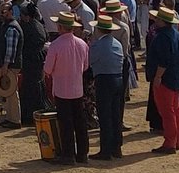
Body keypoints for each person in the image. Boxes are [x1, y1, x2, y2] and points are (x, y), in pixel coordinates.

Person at [42, 12, 89, 164]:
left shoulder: (55, 45)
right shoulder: (82, 44)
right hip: (77, 88)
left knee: (65, 123)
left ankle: (68, 155)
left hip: (62, 89)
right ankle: (82, 154)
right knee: (80, 123)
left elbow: (48, 69)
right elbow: (85, 66)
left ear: (60, 27)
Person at [147, 7, 179, 154]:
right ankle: (177, 139)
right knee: (175, 109)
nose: (155, 20)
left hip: (165, 79)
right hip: (175, 77)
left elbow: (163, 60)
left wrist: (157, 77)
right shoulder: (176, 35)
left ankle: (170, 142)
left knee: (166, 110)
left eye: (157, 18)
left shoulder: (161, 37)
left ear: (162, 21)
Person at [88, 14, 124, 161]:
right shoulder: (117, 43)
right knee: (116, 115)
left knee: (105, 116)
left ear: (98, 29)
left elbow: (90, 61)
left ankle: (106, 150)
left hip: (104, 80)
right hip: (118, 79)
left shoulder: (97, 45)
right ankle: (117, 147)